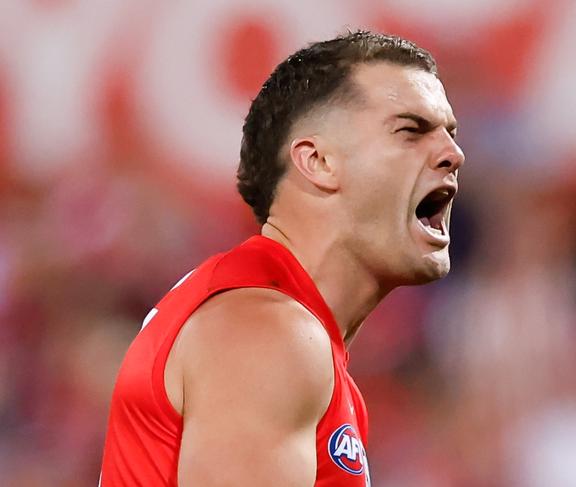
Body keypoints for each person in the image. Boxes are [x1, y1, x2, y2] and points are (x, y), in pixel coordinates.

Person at [99, 30, 464, 486]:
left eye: (450, 134)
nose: (453, 154)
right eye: (411, 131)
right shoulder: (268, 334)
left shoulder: (270, 323)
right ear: (319, 161)